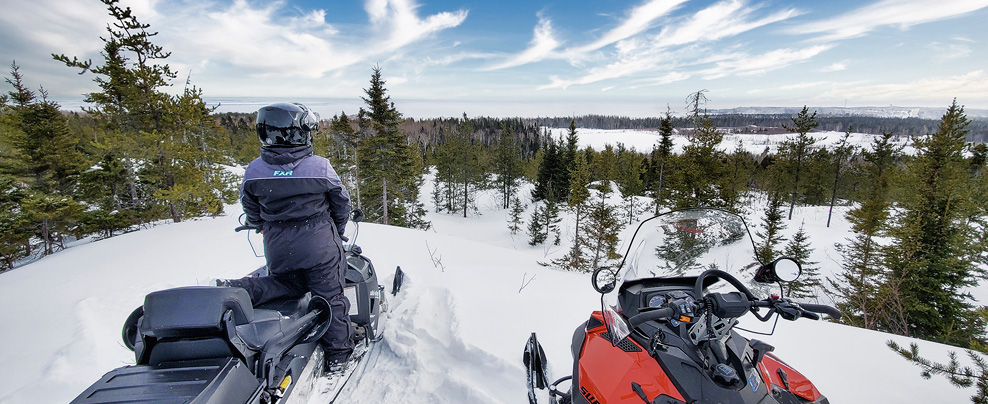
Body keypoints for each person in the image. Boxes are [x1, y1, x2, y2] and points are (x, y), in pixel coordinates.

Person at [221, 102, 354, 370]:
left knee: (284, 284)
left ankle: (233, 290)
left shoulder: (255, 171)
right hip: (320, 248)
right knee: (331, 298)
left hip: (279, 248)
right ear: (298, 132)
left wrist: (261, 223)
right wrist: (336, 232)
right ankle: (339, 356)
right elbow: (341, 204)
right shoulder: (320, 167)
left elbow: (252, 211)